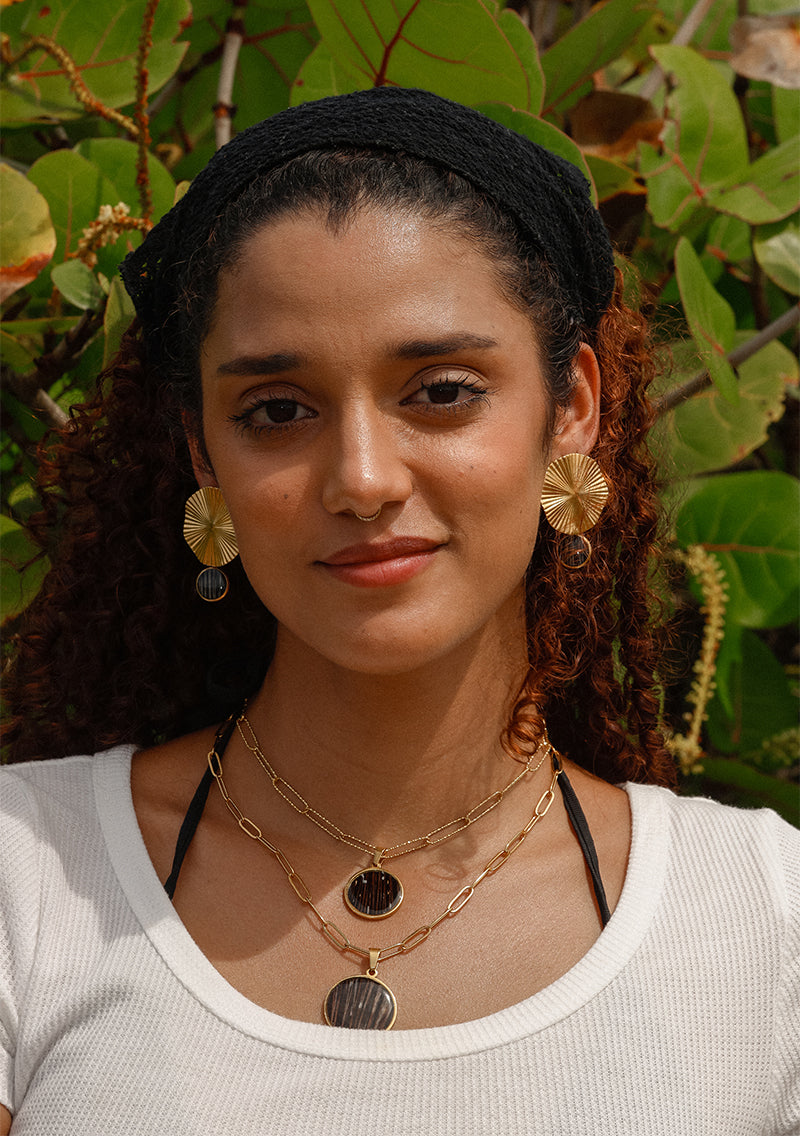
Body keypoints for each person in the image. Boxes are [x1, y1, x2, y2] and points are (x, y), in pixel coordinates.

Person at [0, 88, 797, 1135]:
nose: (363, 479)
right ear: (203, 453)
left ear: (571, 407)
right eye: (277, 411)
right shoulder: (25, 878)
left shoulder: (762, 916)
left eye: (441, 391)